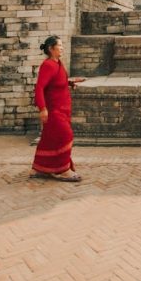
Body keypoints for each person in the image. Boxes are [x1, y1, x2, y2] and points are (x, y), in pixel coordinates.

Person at [31, 35, 85, 181]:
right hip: (54, 110)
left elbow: (55, 81)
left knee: (50, 139)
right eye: (59, 46)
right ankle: (63, 169)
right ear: (51, 48)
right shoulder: (48, 65)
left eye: (62, 45)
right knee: (65, 136)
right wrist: (42, 109)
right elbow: (40, 88)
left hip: (63, 109)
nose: (62, 48)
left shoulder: (57, 63)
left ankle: (42, 168)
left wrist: (69, 83)